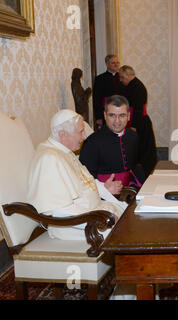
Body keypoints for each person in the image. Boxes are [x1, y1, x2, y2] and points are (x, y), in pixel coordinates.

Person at [27, 109, 126, 241]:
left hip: (92, 212)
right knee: (125, 232)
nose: (85, 136)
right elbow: (57, 211)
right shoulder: (49, 158)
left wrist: (105, 188)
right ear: (63, 134)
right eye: (80, 132)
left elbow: (84, 181)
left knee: (128, 215)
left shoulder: (64, 151)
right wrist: (98, 219)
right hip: (71, 226)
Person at [79, 95, 146, 188]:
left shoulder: (133, 136)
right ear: (105, 115)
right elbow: (85, 179)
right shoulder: (92, 142)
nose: (117, 121)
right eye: (112, 115)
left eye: (122, 115)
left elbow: (136, 167)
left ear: (129, 116)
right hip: (104, 196)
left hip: (131, 190)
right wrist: (104, 188)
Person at [119, 65, 158, 176]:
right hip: (136, 121)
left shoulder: (137, 87)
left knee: (144, 149)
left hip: (139, 123)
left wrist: (134, 126)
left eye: (122, 77)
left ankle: (144, 172)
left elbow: (138, 109)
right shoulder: (132, 85)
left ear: (128, 75)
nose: (121, 80)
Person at [93, 54, 124, 129]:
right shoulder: (100, 79)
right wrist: (98, 117)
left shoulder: (123, 77)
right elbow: (96, 99)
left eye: (117, 62)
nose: (116, 65)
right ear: (107, 64)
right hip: (106, 112)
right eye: (113, 63)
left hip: (121, 111)